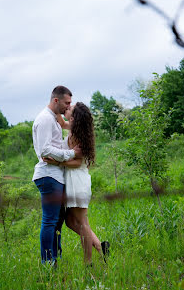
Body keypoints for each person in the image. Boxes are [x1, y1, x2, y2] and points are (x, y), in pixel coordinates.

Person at [43, 102, 109, 265]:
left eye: (70, 109)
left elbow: (77, 163)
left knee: (82, 223)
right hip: (74, 181)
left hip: (77, 181)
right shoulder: (73, 129)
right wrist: (54, 103)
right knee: (71, 221)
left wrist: (56, 163)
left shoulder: (75, 137)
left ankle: (88, 262)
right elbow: (62, 121)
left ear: (74, 118)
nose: (67, 108)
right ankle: (101, 247)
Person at [32, 85, 82, 265]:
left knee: (57, 221)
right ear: (56, 100)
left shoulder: (54, 119)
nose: (68, 107)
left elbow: (55, 146)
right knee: (50, 220)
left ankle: (55, 258)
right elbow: (45, 150)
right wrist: (70, 154)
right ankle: (48, 262)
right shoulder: (45, 119)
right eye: (66, 103)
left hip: (56, 175)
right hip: (48, 175)